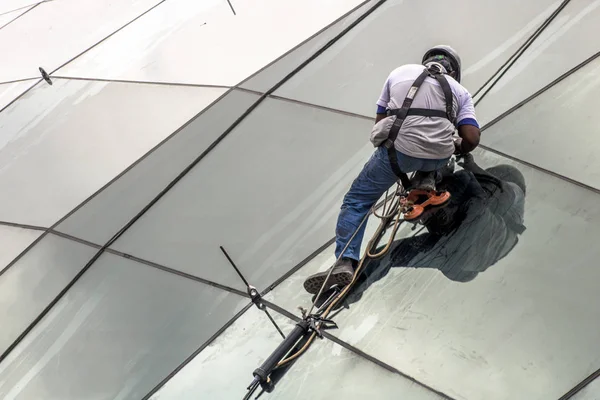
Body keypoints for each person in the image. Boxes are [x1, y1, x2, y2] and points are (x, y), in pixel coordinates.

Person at [303, 45, 481, 295]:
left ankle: (345, 261)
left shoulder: (399, 73)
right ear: (454, 71)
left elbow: (381, 122)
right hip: (438, 157)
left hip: (400, 154)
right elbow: (472, 138)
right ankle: (425, 185)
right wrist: (456, 145)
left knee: (357, 200)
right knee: (436, 156)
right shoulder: (461, 92)